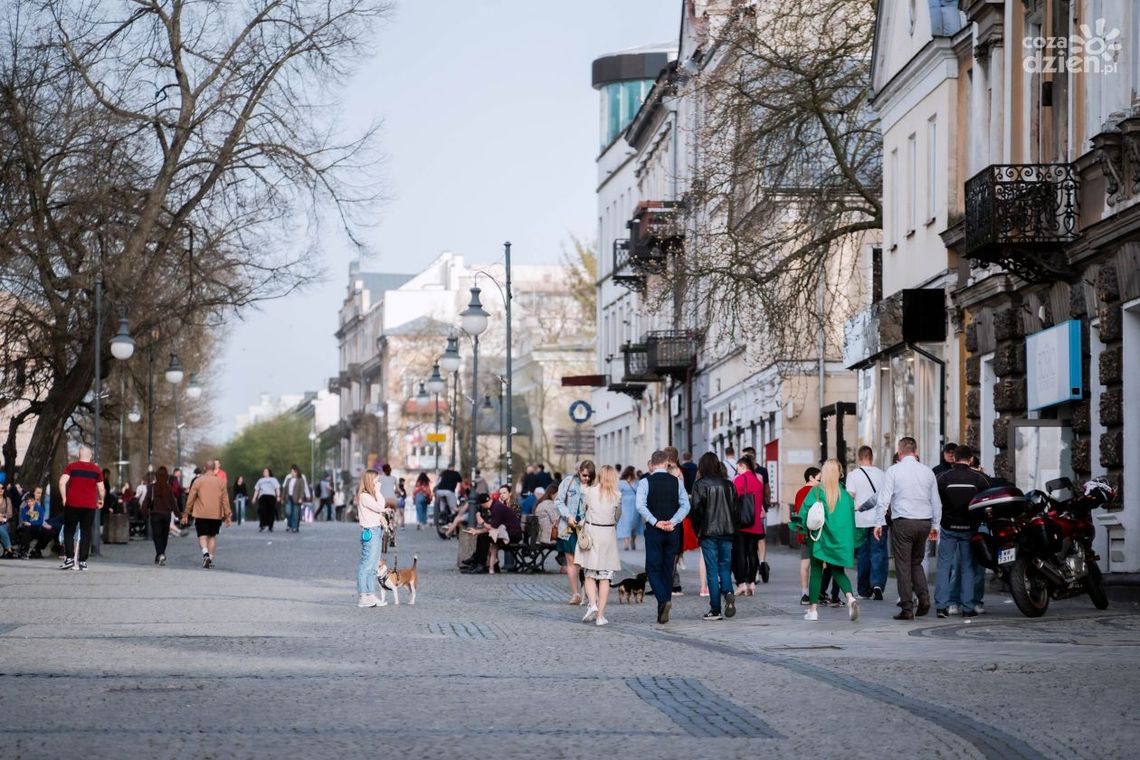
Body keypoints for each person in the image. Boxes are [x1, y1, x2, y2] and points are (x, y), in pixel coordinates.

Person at [875, 436, 941, 620]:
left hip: (903, 522)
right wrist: (935, 525)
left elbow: (884, 498)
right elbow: (936, 501)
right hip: (924, 521)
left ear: (899, 451)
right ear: (916, 451)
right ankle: (924, 598)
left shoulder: (894, 471)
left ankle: (907, 607)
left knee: (903, 565)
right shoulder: (928, 472)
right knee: (916, 562)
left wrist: (878, 522)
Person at [792, 459, 860, 622]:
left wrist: (799, 526)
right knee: (838, 571)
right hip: (838, 540)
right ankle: (850, 598)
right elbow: (851, 519)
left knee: (816, 571)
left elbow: (803, 513)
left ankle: (813, 610)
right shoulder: (844, 494)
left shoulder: (816, 492)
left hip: (819, 539)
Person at [635, 450, 691, 625]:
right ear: (667, 463)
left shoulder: (645, 482)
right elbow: (686, 505)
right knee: (668, 568)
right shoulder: (676, 482)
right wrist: (673, 521)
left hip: (654, 530)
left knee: (652, 568)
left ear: (652, 464)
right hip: (673, 530)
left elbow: (640, 506)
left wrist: (655, 521)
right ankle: (663, 605)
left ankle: (663, 600)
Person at [935, 445, 990, 618]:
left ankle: (942, 606)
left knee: (944, 566)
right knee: (968, 567)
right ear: (971, 459)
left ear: (954, 458)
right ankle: (968, 607)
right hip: (969, 528)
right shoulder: (979, 478)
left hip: (948, 526)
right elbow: (986, 502)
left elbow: (937, 501)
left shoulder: (943, 478)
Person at [691, 452, 740, 621]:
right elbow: (735, 509)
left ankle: (715, 609)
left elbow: (696, 510)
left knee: (711, 570)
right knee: (725, 567)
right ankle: (728, 592)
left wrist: (697, 529)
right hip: (727, 531)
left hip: (708, 532)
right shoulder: (729, 484)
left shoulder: (700, 484)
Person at [576, 465, 623, 626]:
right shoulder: (617, 495)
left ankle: (592, 604)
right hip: (608, 536)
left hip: (591, 534)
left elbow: (584, 509)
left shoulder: (589, 492)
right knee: (605, 578)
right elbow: (617, 517)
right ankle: (600, 616)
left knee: (589, 573)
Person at [847, 446, 887, 600]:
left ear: (859, 457)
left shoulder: (853, 475)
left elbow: (850, 496)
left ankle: (864, 590)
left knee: (863, 555)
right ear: (872, 457)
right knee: (879, 553)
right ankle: (877, 585)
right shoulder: (882, 474)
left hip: (860, 521)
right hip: (880, 520)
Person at [58, 445, 104, 570]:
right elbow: (101, 488)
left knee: (69, 531)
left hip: (72, 504)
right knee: (86, 531)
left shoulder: (71, 467)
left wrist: (64, 498)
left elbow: (62, 482)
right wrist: (101, 500)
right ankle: (83, 561)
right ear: (90, 456)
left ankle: (69, 559)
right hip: (89, 505)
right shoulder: (96, 470)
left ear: (79, 455)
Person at [555, 460, 595, 604]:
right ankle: (575, 593)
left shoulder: (594, 486)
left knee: (586, 560)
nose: (587, 478)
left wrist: (585, 520)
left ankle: (588, 592)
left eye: (589, 476)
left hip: (586, 526)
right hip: (569, 525)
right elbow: (558, 501)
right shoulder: (568, 482)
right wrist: (568, 516)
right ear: (579, 472)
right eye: (584, 475)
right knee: (571, 560)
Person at [181, 461, 232, 568]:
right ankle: (210, 558)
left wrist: (186, 513)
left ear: (204, 468)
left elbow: (191, 498)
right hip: (216, 514)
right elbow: (225, 500)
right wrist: (227, 515)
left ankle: (205, 554)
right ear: (214, 468)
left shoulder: (198, 481)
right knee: (212, 536)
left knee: (202, 536)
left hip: (201, 513)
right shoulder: (221, 482)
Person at [462, 491, 523, 574]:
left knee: (484, 538)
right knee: (482, 536)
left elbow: (493, 527)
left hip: (512, 535)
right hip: (508, 533)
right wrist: (477, 531)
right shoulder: (495, 506)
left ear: (483, 504)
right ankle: (477, 562)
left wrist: (482, 522)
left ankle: (480, 565)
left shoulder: (496, 508)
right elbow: (493, 527)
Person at [355, 468, 390, 608]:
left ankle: (370, 595)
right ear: (370, 481)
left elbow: (380, 508)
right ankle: (363, 596)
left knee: (374, 566)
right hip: (370, 532)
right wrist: (378, 491)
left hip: (377, 530)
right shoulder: (365, 496)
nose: (378, 483)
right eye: (376, 480)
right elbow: (380, 506)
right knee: (366, 565)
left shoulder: (370, 496)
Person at [732, 455, 765, 596]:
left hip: (742, 524)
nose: (737, 470)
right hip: (755, 523)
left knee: (740, 554)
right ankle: (752, 583)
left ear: (742, 466)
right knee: (752, 553)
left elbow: (732, 500)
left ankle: (741, 584)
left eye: (737, 467)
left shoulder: (739, 479)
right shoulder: (758, 481)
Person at [741, 446, 772, 580]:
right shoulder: (761, 473)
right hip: (760, 511)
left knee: (749, 543)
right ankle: (761, 562)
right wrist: (767, 503)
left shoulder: (742, 476)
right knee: (761, 538)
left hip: (746, 513)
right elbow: (766, 489)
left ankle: (753, 571)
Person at [141, 466, 181, 566]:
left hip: (155, 515)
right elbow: (173, 503)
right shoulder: (168, 488)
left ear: (157, 476)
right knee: (164, 536)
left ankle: (160, 554)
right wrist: (179, 515)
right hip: (166, 515)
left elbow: (146, 501)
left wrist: (144, 513)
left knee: (157, 536)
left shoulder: (151, 487)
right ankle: (160, 554)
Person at [793, 467, 821, 604]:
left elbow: (797, 512)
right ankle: (818, 592)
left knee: (805, 564)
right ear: (811, 477)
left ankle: (805, 593)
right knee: (819, 565)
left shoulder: (799, 493)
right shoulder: (816, 492)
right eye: (819, 479)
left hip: (803, 532)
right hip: (816, 533)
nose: (820, 482)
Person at [17, 490, 54, 558]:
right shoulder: (24, 508)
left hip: (36, 528)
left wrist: (31, 523)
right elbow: (24, 520)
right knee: (26, 528)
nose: (30, 503)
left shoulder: (39, 508)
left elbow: (39, 521)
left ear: (34, 501)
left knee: (50, 532)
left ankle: (37, 549)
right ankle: (24, 551)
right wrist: (30, 511)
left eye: (31, 501)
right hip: (28, 529)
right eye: (28, 502)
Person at [616, 466, 641, 551]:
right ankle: (626, 544)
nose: (635, 472)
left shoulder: (637, 481)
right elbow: (618, 493)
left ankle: (633, 541)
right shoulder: (621, 482)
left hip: (635, 506)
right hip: (625, 506)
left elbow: (640, 491)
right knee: (626, 524)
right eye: (634, 471)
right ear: (630, 472)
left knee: (635, 524)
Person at [282, 465, 309, 533]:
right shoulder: (288, 479)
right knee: (288, 512)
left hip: (296, 498)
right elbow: (285, 489)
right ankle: (290, 524)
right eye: (291, 472)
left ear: (296, 472)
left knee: (295, 513)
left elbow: (302, 490)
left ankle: (295, 527)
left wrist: (301, 498)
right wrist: (282, 497)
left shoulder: (300, 480)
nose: (291, 473)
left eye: (293, 472)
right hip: (288, 497)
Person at [0, 478, 14, 558]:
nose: (1, 490)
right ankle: (9, 549)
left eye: (2, 488)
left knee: (1, 529)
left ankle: (8, 549)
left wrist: (2, 517)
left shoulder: (7, 500)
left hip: (4, 522)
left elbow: (9, 514)